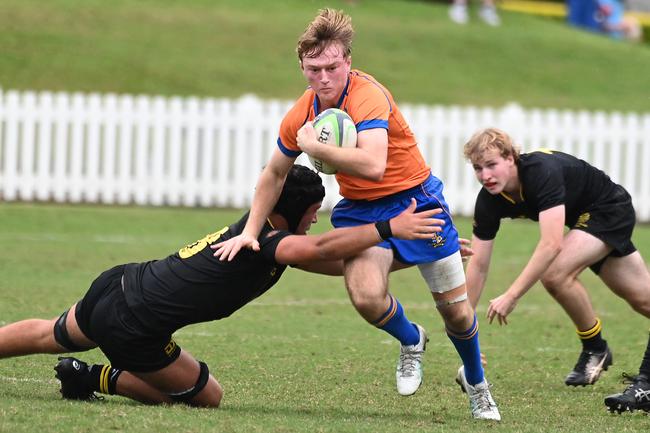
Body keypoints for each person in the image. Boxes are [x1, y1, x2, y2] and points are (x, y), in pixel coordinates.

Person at [215, 8, 500, 420]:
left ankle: (476, 383)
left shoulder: (368, 95)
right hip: (362, 210)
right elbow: (274, 174)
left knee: (455, 311)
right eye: (313, 69)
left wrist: (315, 149)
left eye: (332, 66)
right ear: (302, 67)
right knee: (365, 295)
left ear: (348, 61)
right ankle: (411, 339)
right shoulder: (303, 111)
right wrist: (250, 231)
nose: (323, 78)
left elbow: (372, 165)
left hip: (415, 201)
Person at [0, 165, 445, 407]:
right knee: (207, 396)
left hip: (117, 283)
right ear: (293, 210)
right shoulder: (272, 243)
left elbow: (331, 263)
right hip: (136, 325)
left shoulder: (262, 233)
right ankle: (95, 376)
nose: (316, 218)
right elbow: (323, 248)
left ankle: (79, 366)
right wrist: (392, 227)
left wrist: (421, 253)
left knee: (50, 334)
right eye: (314, 210)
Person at [462, 127, 650, 414]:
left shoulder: (539, 173)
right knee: (644, 301)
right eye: (478, 168)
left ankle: (595, 348)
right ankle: (596, 348)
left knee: (555, 273)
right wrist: (464, 329)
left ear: (511, 158)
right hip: (583, 224)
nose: (485, 175)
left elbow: (551, 245)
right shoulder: (489, 200)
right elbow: (478, 263)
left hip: (609, 209)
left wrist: (512, 295)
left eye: (492, 165)